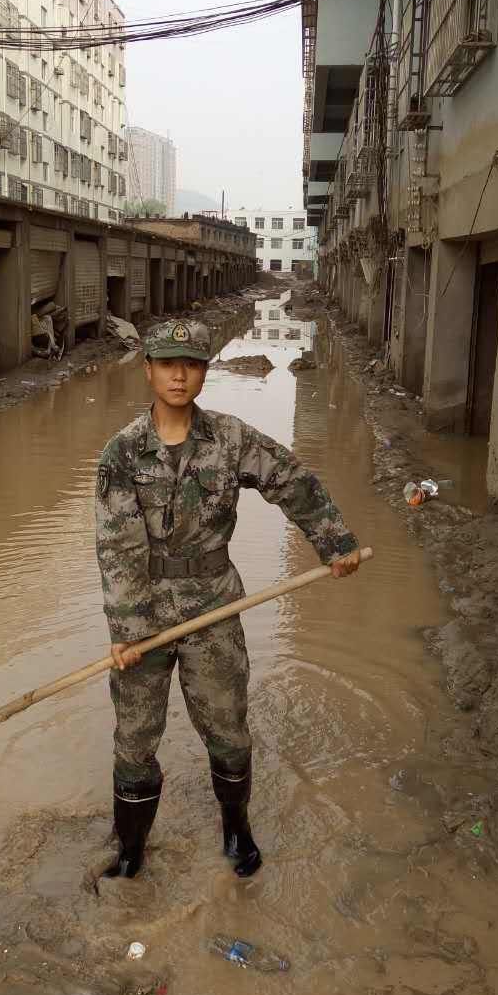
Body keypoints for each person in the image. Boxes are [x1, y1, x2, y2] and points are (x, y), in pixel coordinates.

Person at [95, 318, 360, 880]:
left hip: (215, 605)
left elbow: (292, 481)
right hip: (143, 609)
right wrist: (128, 632)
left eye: (191, 365)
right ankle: (131, 847)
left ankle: (236, 828)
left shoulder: (231, 439)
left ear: (204, 373)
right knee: (134, 737)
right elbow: (117, 547)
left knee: (228, 727)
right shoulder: (122, 453)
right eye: (168, 365)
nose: (179, 376)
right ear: (148, 371)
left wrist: (334, 543)